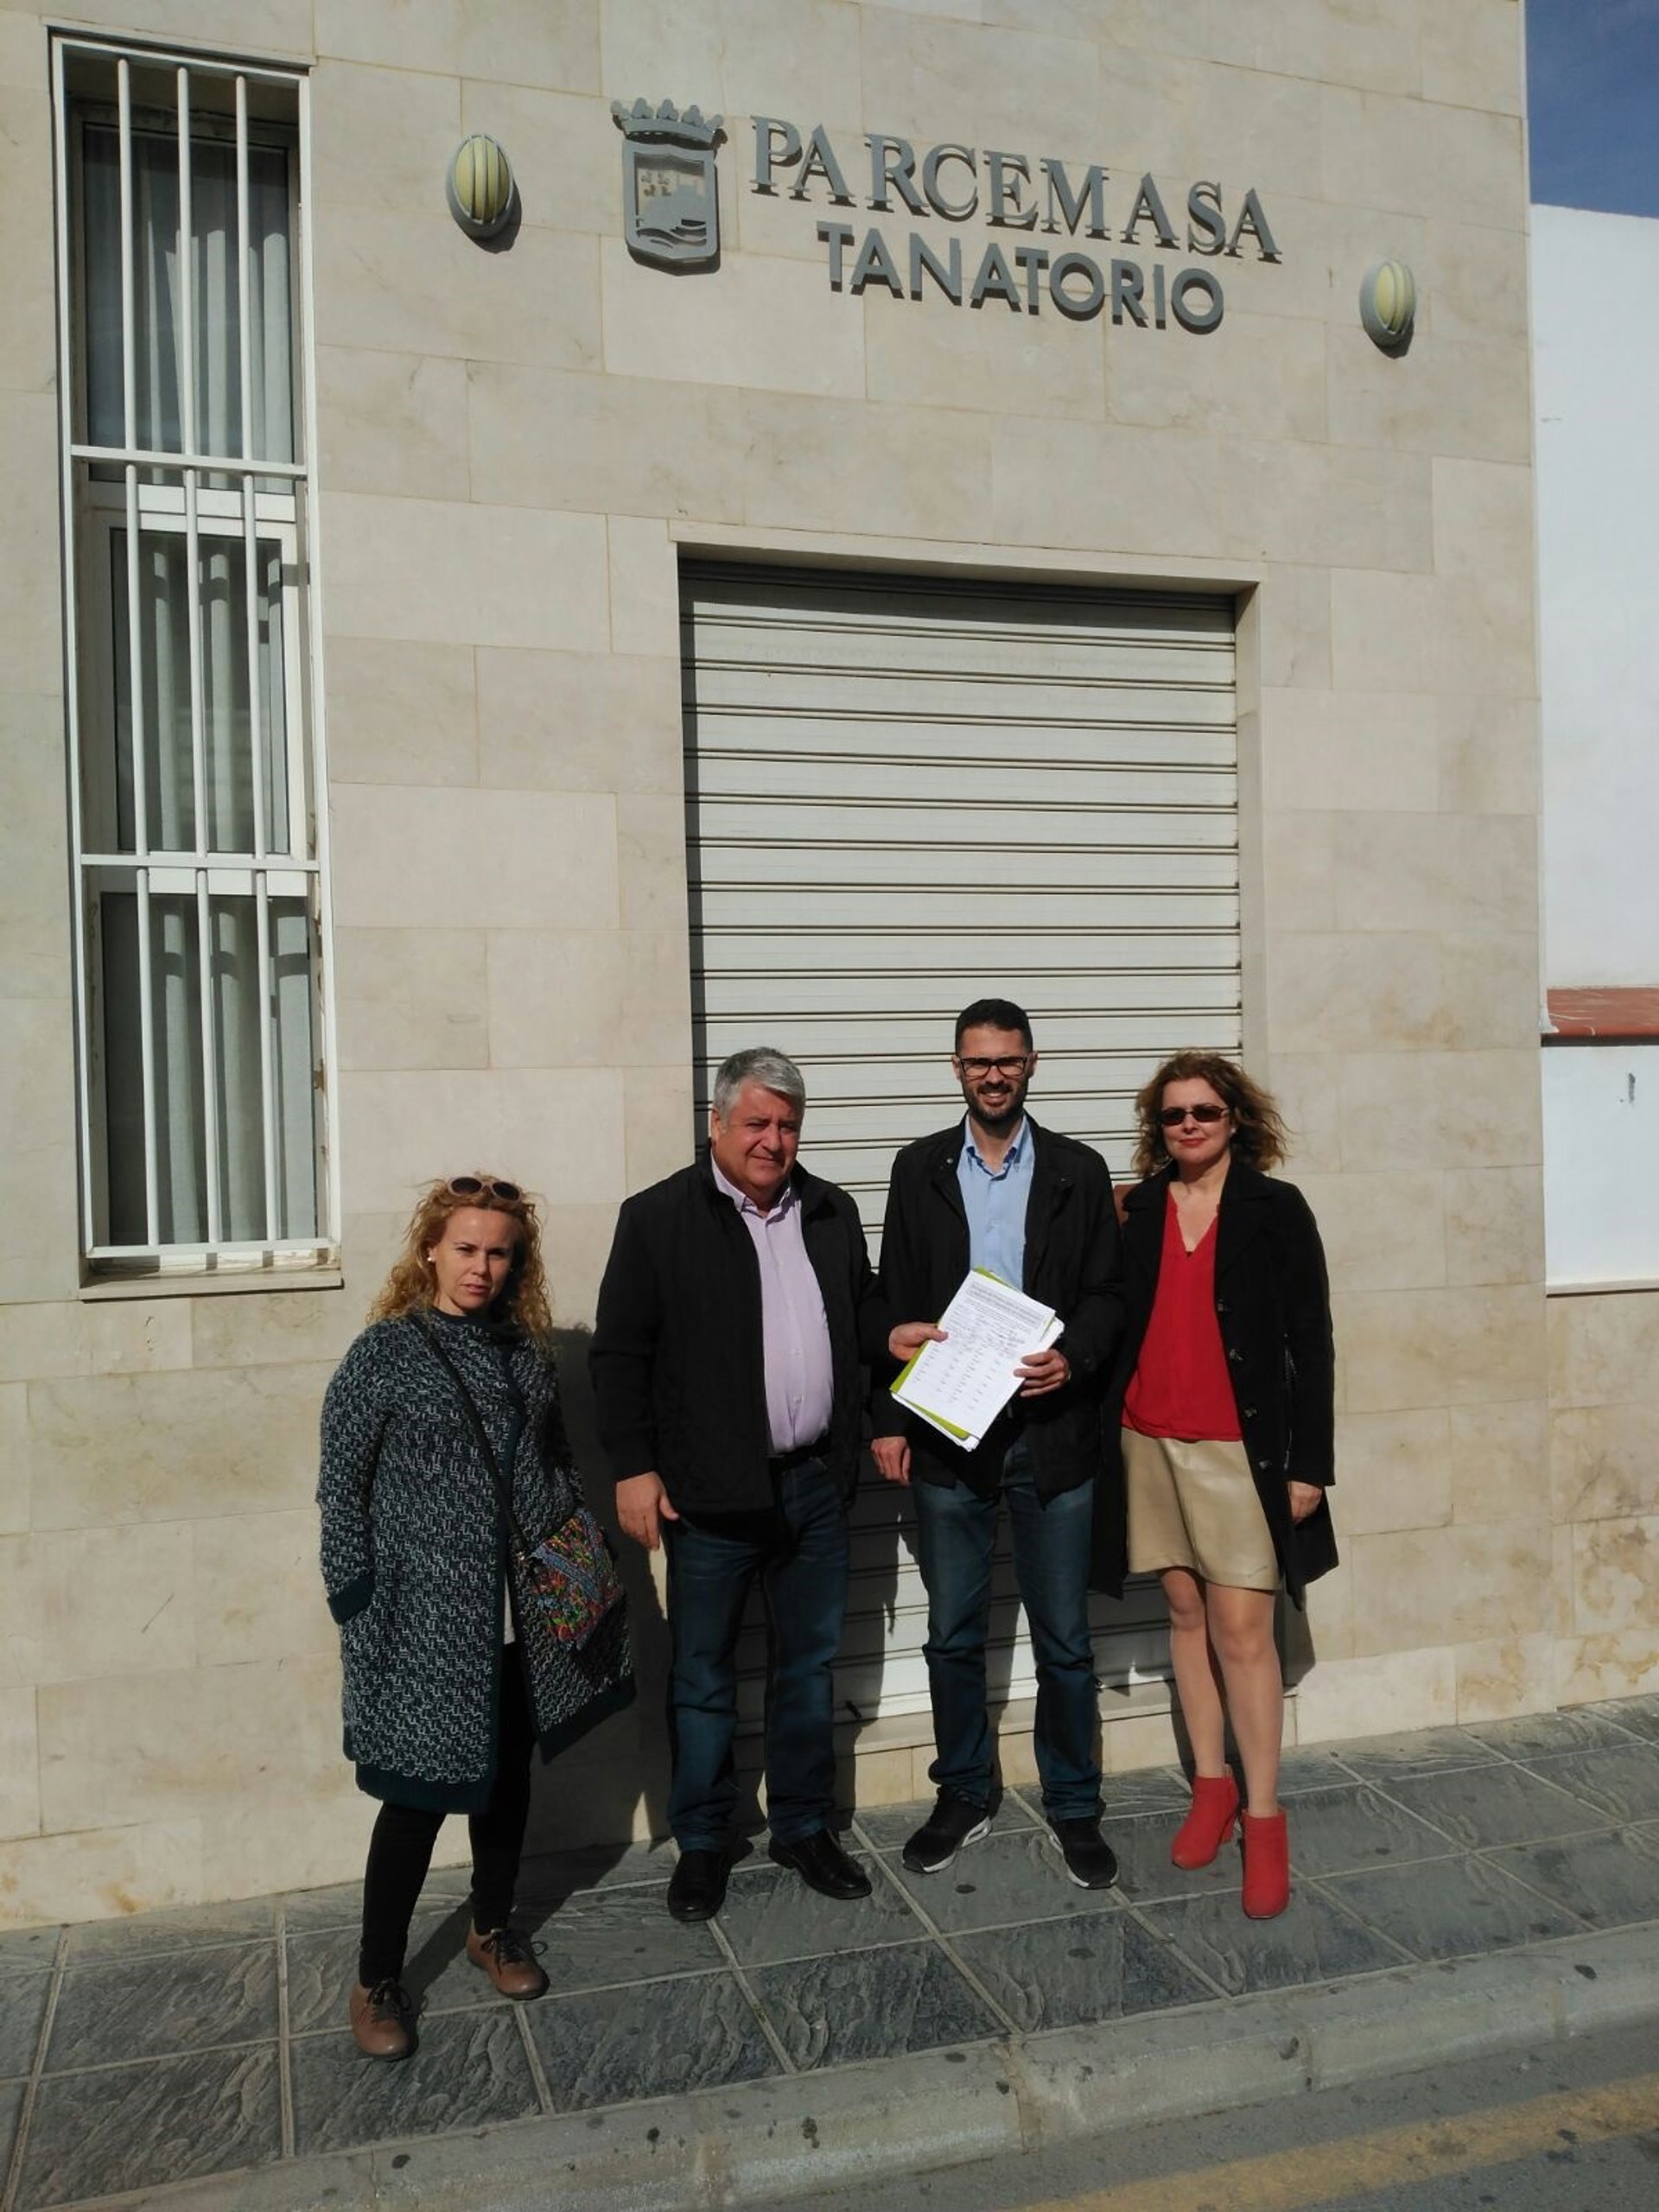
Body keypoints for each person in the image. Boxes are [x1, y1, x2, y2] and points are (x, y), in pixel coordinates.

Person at [318, 1173, 633, 2060]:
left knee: (506, 1782)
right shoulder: (383, 1355)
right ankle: (378, 1976)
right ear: (430, 1250)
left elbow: (557, 1464)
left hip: (520, 1620)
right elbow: (340, 1486)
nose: (480, 1268)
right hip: (420, 1622)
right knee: (414, 1800)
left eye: (498, 1253)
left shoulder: (526, 1354)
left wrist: (574, 1556)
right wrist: (355, 1596)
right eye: (465, 1248)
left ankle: (490, 1925)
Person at [590, 1047, 903, 1923]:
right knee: (702, 1674)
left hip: (815, 1483)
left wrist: (891, 1347)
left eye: (787, 1124)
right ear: (717, 1124)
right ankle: (704, 1838)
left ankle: (804, 1825)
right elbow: (620, 1355)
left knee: (807, 1667)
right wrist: (634, 1466)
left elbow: (860, 1309)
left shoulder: (831, 1209)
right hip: (709, 1492)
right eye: (757, 1122)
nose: (773, 1140)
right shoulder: (657, 1218)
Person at [874, 999, 1126, 1888]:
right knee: (951, 1634)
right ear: (956, 1068)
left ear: (1031, 1065)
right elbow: (893, 1296)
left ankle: (1074, 1804)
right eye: (978, 1061)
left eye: (1008, 1060)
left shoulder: (1077, 1170)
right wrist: (887, 1415)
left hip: (1050, 1433)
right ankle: (963, 1791)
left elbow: (1109, 1293)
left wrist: (1075, 1356)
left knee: (1065, 1640)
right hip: (951, 1435)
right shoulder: (918, 1168)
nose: (993, 1075)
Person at [1094, 1052, 1337, 1920]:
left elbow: (1311, 1339)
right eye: (1173, 1114)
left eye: (1204, 1111)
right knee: (1185, 1616)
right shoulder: (1138, 1209)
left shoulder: (1277, 1209)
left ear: (1235, 1118)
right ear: (1156, 1128)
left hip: (1241, 1451)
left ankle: (1263, 1818)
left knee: (1244, 1632)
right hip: (1148, 1440)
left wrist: (1310, 1463)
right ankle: (1211, 1787)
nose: (1189, 1125)